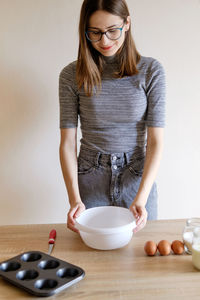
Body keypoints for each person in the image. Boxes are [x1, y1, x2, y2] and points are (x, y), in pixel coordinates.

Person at [59, 0, 165, 234]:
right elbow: (67, 143)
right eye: (95, 33)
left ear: (127, 24)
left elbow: (156, 141)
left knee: (142, 258)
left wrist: (141, 197)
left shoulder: (151, 71)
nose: (104, 41)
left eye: (112, 31)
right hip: (90, 178)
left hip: (137, 179)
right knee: (94, 262)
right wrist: (74, 199)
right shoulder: (71, 75)